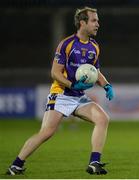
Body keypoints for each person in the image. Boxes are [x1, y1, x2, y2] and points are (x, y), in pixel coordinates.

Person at [6, 6, 114, 176]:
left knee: (102, 118)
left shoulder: (94, 46)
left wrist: (106, 85)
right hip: (61, 94)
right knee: (47, 132)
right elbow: (55, 72)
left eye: (97, 21)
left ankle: (94, 163)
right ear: (82, 23)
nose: (98, 24)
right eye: (94, 20)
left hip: (78, 97)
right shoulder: (67, 44)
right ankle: (16, 165)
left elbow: (95, 71)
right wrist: (72, 85)